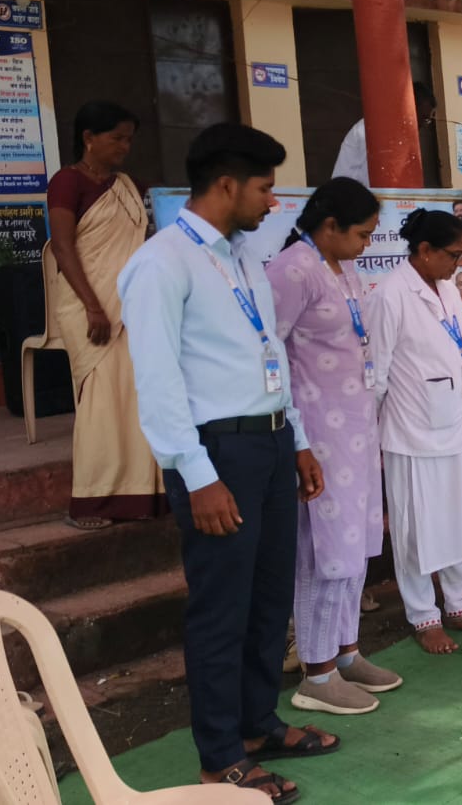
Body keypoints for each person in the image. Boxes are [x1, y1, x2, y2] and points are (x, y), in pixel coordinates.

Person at [119, 123, 333, 801]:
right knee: (222, 609)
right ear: (225, 184)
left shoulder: (242, 258)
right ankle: (219, 759)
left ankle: (257, 725)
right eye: (265, 189)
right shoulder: (162, 264)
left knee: (269, 597)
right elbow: (157, 383)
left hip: (268, 443)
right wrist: (198, 475)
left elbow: (270, 355)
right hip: (216, 454)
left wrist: (296, 437)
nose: (274, 203)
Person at [265, 177, 402, 715]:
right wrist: (296, 440)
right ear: (329, 226)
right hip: (318, 435)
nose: (367, 244)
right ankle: (317, 674)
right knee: (324, 552)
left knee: (354, 547)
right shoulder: (291, 271)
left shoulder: (340, 268)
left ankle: (346, 653)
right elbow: (269, 355)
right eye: (362, 234)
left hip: (357, 432)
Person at [364, 208, 462, 654]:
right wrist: (370, 434)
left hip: (460, 423)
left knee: (459, 522)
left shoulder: (449, 290)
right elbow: (376, 374)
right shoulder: (390, 296)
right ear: (424, 250)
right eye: (453, 254)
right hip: (413, 432)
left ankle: (459, 605)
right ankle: (424, 616)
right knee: (415, 530)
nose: (459, 263)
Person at [45, 101, 166, 530]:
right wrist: (93, 307)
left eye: (129, 139)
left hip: (132, 306)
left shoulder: (130, 186)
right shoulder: (67, 182)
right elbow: (63, 248)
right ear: (88, 138)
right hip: (89, 307)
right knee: (100, 403)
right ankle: (92, 503)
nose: (125, 147)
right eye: (117, 138)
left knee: (137, 397)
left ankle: (142, 495)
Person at [330, 82, 437, 185]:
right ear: (409, 110)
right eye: (423, 118)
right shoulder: (370, 130)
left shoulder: (404, 135)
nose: (424, 125)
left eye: (428, 120)